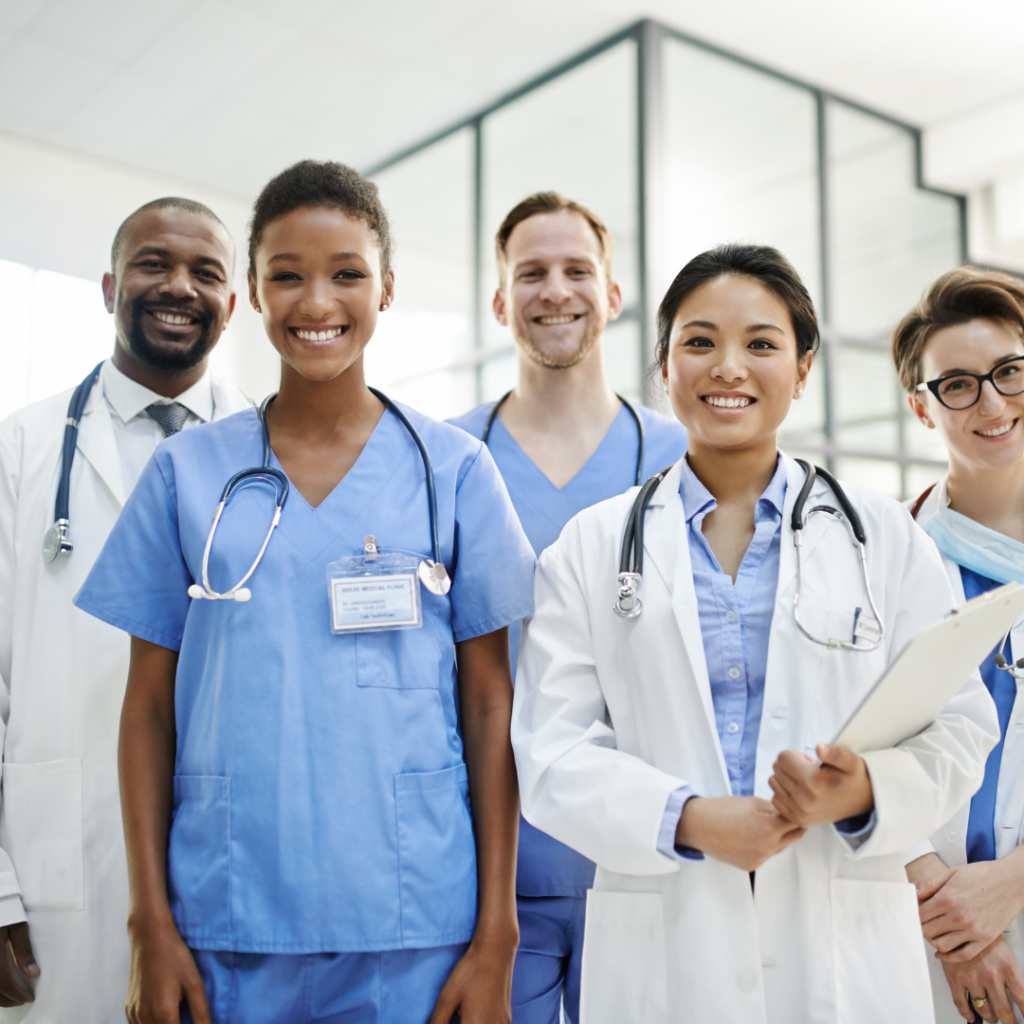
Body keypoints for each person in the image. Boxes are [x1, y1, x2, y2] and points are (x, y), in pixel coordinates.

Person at [74, 160, 535, 1024]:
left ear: (387, 288)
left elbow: (489, 704)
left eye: (347, 275)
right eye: (287, 275)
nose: (316, 302)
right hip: (228, 920)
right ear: (253, 291)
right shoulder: (188, 472)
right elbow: (145, 709)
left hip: (417, 925)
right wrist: (151, 927)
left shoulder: (455, 472)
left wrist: (495, 935)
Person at [510, 242, 999, 1023]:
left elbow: (961, 726)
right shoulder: (592, 547)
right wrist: (691, 820)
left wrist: (866, 788)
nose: (728, 367)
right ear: (664, 368)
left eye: (761, 344)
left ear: (804, 369)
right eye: (699, 342)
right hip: (664, 949)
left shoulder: (886, 538)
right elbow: (550, 754)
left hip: (844, 952)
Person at [0, 197, 250, 1023]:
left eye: (205, 272)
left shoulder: (275, 454)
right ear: (110, 287)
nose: (178, 286)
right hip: (60, 877)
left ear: (233, 303)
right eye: (153, 264)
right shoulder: (20, 453)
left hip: (241, 871)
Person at [448, 192, 686, 1023]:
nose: (556, 291)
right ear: (500, 300)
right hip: (491, 863)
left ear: (613, 296)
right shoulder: (445, 458)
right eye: (531, 273)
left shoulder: (681, 455)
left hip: (649, 848)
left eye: (577, 270)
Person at [895, 268, 1024, 1024]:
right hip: (918, 925)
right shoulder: (881, 558)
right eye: (959, 385)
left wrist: (1011, 884)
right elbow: (843, 751)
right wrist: (954, 921)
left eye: (1011, 371)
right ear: (921, 405)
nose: (994, 404)